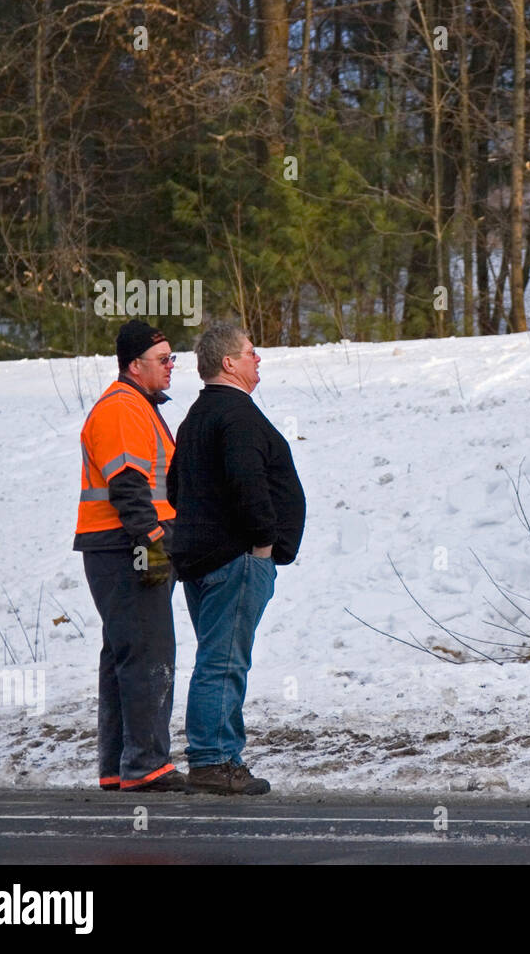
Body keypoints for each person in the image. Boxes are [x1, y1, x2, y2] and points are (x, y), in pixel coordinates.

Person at [168, 323, 305, 795]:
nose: (258, 358)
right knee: (224, 661)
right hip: (236, 557)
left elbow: (174, 488)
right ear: (228, 363)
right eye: (251, 352)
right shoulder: (237, 415)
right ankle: (214, 762)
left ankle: (218, 757)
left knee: (217, 657)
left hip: (203, 557)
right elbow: (249, 483)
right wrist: (263, 542)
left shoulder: (195, 418)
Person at [74, 319, 186, 792]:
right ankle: (145, 766)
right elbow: (126, 482)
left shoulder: (135, 405)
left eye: (171, 358)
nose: (171, 367)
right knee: (147, 652)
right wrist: (154, 536)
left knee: (126, 652)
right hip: (129, 545)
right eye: (163, 360)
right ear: (134, 365)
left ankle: (120, 766)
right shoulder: (123, 408)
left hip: (118, 544)